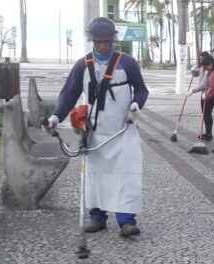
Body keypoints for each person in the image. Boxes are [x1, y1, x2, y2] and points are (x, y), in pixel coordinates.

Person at [46, 17, 149, 238]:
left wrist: (135, 105)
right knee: (95, 176)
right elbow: (69, 94)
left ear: (113, 40)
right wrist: (56, 116)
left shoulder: (127, 62)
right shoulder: (83, 65)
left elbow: (141, 90)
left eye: (108, 41)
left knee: (126, 175)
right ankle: (97, 217)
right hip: (94, 133)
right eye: (100, 41)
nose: (104, 45)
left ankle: (126, 221)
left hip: (123, 130)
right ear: (93, 41)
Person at [189, 51, 214, 141]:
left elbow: (204, 84)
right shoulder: (203, 66)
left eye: (201, 58)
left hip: (209, 93)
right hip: (204, 92)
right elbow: (196, 72)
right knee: (206, 113)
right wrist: (195, 69)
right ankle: (208, 133)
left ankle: (209, 134)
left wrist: (193, 90)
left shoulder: (208, 69)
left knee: (207, 113)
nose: (200, 60)